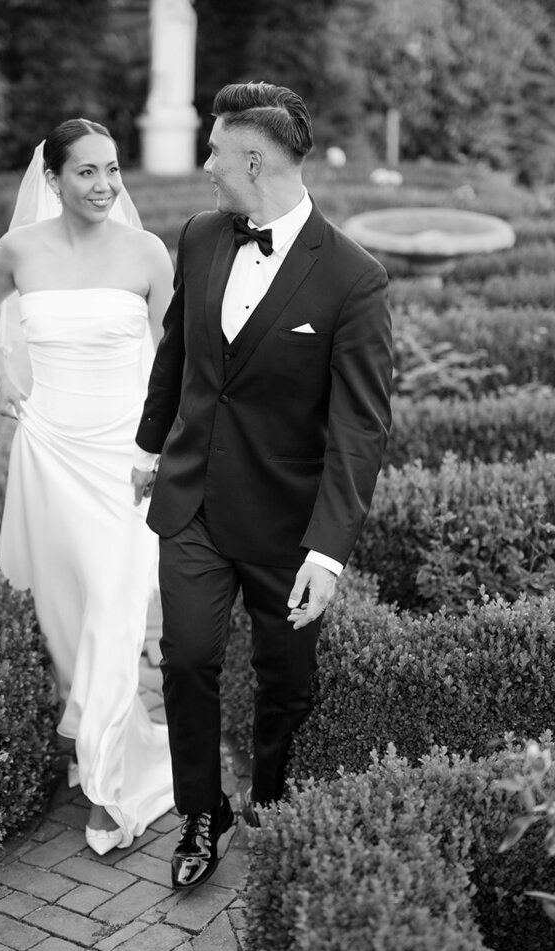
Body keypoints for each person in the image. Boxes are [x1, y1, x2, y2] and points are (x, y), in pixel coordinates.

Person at [132, 82, 393, 889]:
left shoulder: (355, 278)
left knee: (286, 681)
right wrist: (148, 444)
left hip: (287, 526)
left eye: (214, 151)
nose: (206, 165)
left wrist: (330, 550)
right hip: (194, 505)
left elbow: (361, 426)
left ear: (253, 158)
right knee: (186, 660)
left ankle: (274, 804)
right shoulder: (202, 236)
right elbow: (176, 355)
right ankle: (200, 815)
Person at [0, 118, 176, 855]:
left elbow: (175, 359)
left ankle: (107, 785)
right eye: (86, 172)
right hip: (50, 448)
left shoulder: (147, 253)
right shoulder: (20, 249)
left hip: (125, 459)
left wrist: (166, 448)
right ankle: (97, 741)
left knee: (116, 610)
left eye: (112, 170)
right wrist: (2, 369)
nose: (103, 186)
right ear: (51, 179)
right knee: (66, 614)